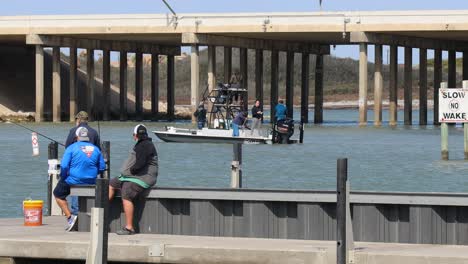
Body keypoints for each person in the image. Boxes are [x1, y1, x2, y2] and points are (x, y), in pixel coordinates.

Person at [109, 124, 158, 235]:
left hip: (143, 177)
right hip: (134, 176)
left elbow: (140, 164)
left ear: (135, 135)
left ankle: (129, 228)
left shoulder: (145, 145)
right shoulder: (142, 144)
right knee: (112, 183)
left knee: (127, 191)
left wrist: (132, 171)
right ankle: (102, 209)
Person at [54, 127, 105, 231]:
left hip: (74, 180)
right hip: (91, 180)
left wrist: (63, 176)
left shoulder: (71, 148)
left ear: (76, 137)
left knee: (58, 194)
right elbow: (102, 167)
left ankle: (70, 218)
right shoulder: (96, 149)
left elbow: (64, 166)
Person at [65, 110, 100, 216]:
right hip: (91, 170)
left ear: (78, 120)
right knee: (90, 189)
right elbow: (98, 150)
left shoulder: (73, 130)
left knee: (75, 187)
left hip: (77, 169)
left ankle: (76, 214)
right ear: (87, 120)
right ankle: (90, 211)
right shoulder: (94, 132)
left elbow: (67, 147)